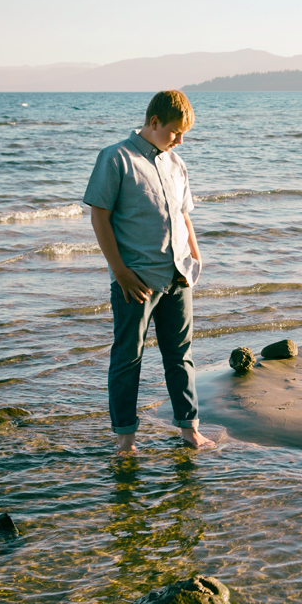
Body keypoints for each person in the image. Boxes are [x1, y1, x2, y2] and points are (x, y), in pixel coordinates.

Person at [84, 89, 214, 452]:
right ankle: (125, 440)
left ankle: (190, 431)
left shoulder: (177, 164)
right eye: (175, 132)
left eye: (184, 134)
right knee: (128, 357)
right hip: (136, 279)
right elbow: (100, 217)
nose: (180, 140)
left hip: (179, 274)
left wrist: (196, 256)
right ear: (154, 122)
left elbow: (183, 214)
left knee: (180, 354)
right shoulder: (115, 158)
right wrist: (120, 272)